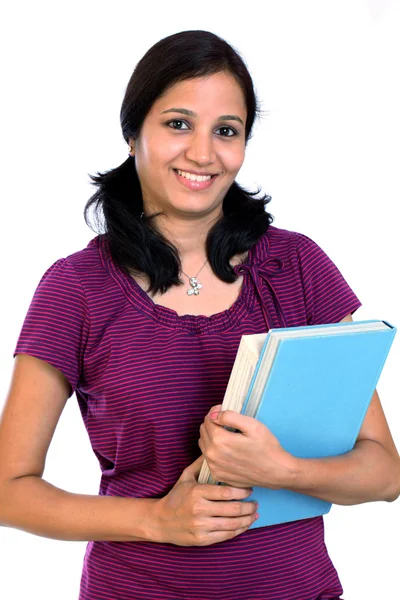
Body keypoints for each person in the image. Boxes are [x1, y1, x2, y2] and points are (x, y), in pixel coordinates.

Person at [0, 29, 399, 600]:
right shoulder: (76, 288)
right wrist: (157, 520)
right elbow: (8, 490)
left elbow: (385, 472)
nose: (203, 154)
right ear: (133, 134)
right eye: (178, 123)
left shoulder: (298, 266)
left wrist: (282, 471)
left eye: (226, 131)